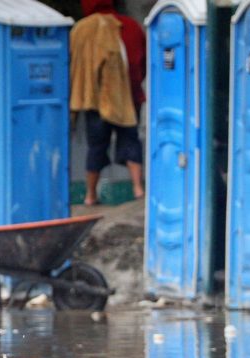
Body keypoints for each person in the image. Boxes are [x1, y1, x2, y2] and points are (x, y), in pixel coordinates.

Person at [70, 0, 146, 205]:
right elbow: (142, 61)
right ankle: (138, 189)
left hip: (93, 101)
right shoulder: (131, 27)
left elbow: (73, 63)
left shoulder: (82, 29)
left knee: (96, 146)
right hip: (129, 98)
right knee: (130, 141)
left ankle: (90, 195)